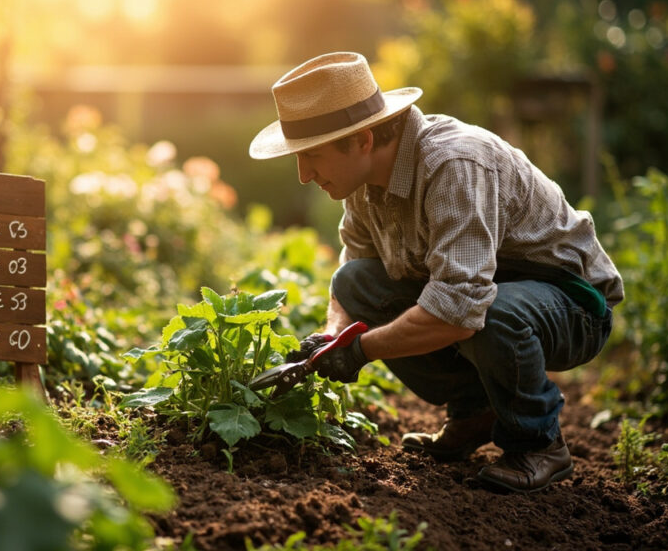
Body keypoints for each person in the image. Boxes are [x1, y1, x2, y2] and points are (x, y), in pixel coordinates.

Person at [249, 52, 623, 493]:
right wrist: (332, 337)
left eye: (311, 155)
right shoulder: (361, 183)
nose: (303, 174)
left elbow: (460, 308)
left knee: (491, 313)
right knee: (356, 285)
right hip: (492, 292)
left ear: (363, 139)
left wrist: (360, 350)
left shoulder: (453, 165)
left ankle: (539, 443)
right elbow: (352, 278)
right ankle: (474, 412)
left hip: (572, 303)